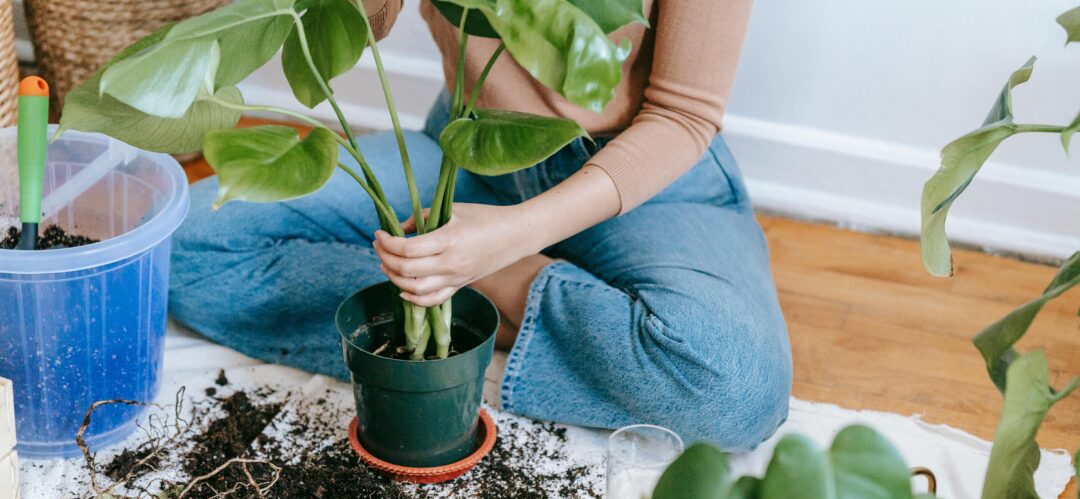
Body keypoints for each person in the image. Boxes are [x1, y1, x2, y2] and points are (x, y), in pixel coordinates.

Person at [170, 0, 792, 450]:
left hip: (639, 175)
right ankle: (499, 308)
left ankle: (479, 294)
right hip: (469, 152)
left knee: (736, 389)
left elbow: (683, 115)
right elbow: (355, 24)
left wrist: (503, 251)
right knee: (185, 241)